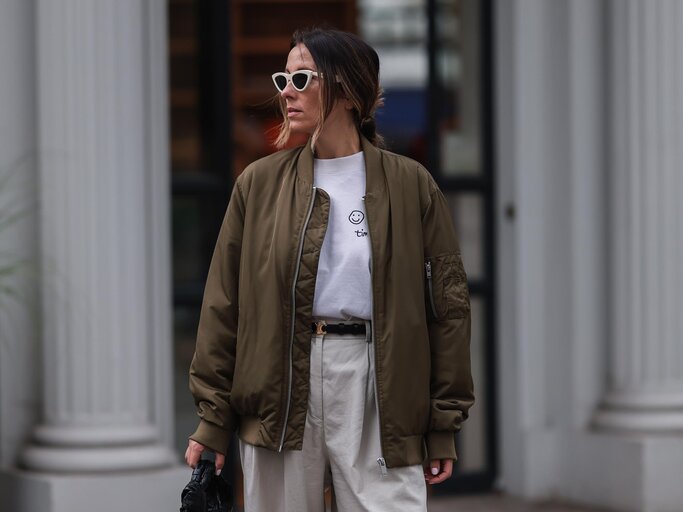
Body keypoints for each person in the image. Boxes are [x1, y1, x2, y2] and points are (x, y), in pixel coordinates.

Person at [185, 27, 474, 512]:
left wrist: (443, 422)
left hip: (378, 385)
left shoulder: (411, 186)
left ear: (347, 88)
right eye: (284, 78)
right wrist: (213, 421)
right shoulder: (258, 185)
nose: (287, 91)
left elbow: (448, 308)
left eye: (302, 77)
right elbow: (223, 307)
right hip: (280, 386)